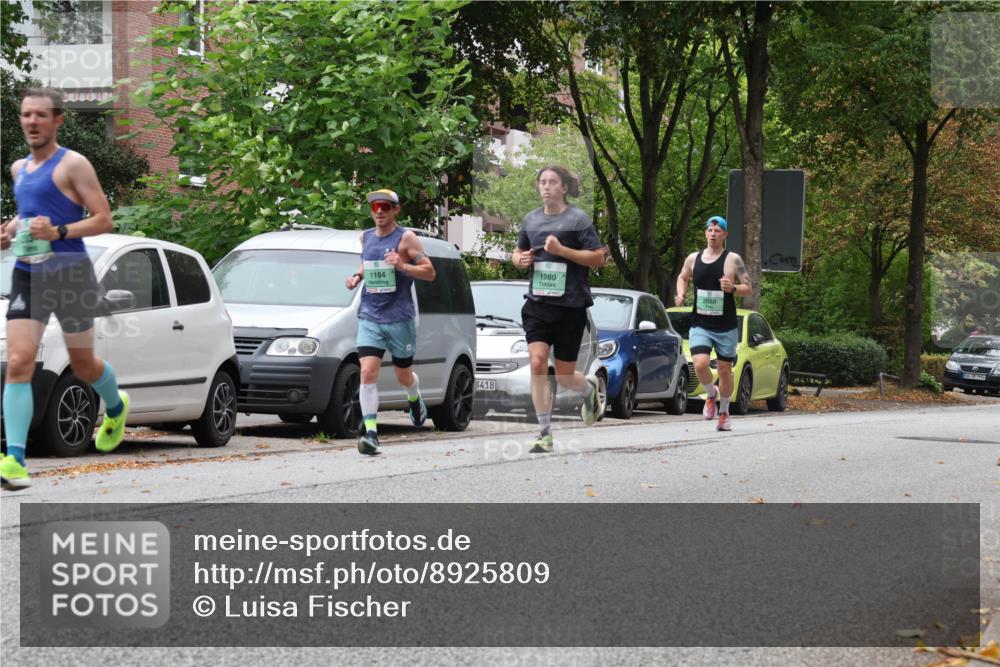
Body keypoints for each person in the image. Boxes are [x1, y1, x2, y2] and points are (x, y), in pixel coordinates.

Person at [0, 88, 129, 489]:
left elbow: (104, 219)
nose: (32, 122)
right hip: (29, 272)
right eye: (26, 115)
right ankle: (15, 461)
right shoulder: (19, 169)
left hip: (71, 273)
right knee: (20, 359)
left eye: (40, 115)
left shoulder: (74, 165)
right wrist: (11, 229)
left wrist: (58, 231)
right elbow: (28, 216)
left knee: (84, 364)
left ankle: (115, 404)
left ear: (57, 121)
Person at [511, 165, 605, 453]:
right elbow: (517, 253)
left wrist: (563, 251)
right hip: (538, 305)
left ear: (564, 188)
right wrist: (520, 260)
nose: (546, 186)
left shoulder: (578, 219)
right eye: (543, 181)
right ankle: (544, 432)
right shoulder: (530, 220)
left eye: (553, 182)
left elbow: (599, 258)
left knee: (565, 376)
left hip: (570, 307)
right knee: (538, 364)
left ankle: (589, 392)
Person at [345, 189, 436, 456]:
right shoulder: (366, 237)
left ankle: (414, 397)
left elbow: (430, 273)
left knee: (402, 375)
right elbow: (366, 263)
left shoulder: (406, 239)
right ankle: (371, 432)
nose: (380, 211)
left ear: (396, 210)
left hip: (399, 318)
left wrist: (402, 266)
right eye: (375, 207)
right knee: (367, 372)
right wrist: (356, 277)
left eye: (385, 206)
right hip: (370, 316)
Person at [674, 216, 753, 432]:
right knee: (699, 363)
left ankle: (725, 412)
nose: (713, 234)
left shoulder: (733, 260)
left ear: (725, 235)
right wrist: (680, 293)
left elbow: (749, 287)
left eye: (718, 230)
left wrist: (733, 288)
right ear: (705, 233)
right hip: (700, 322)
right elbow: (682, 277)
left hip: (725, 325)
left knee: (725, 370)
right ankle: (711, 394)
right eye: (710, 230)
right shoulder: (693, 258)